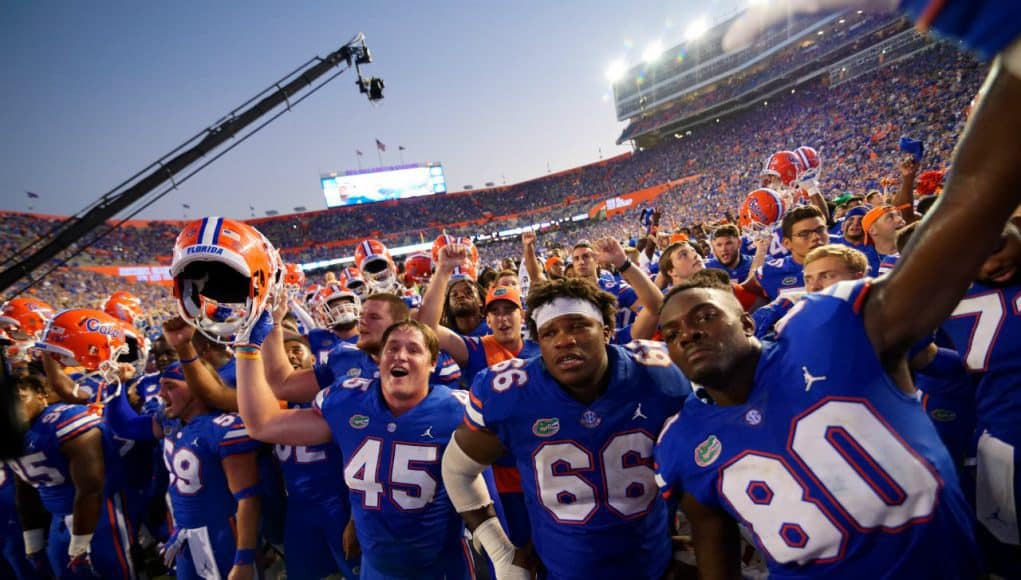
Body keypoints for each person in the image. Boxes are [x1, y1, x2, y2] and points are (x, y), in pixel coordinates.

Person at [652, 50, 1021, 568]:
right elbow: (718, 562)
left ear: (743, 316)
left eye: (703, 316)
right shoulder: (684, 441)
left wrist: (1014, 70)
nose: (687, 333)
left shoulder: (834, 325)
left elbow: (964, 212)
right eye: (672, 332)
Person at [441, 277, 692, 579]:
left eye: (577, 326)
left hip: (652, 565)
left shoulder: (659, 375)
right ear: (539, 345)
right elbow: (456, 471)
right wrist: (499, 551)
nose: (564, 340)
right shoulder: (512, 392)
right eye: (549, 333)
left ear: (607, 332)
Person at [235, 317, 478, 579]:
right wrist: (248, 348)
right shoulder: (350, 401)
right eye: (392, 348)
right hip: (376, 568)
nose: (400, 356)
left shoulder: (456, 411)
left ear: (433, 364)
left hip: (440, 568)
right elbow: (263, 424)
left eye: (414, 349)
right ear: (379, 359)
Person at [10, 374, 135, 579]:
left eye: (20, 398)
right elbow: (24, 490)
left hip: (100, 513)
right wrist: (33, 540)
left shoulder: (64, 421)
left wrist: (79, 546)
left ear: (42, 395)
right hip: (58, 518)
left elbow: (91, 489)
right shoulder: (12, 432)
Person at [273, 330, 356, 580]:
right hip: (298, 506)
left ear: (313, 360)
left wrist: (355, 516)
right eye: (284, 354)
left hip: (338, 502)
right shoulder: (273, 403)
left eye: (297, 350)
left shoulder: (335, 398)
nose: (291, 356)